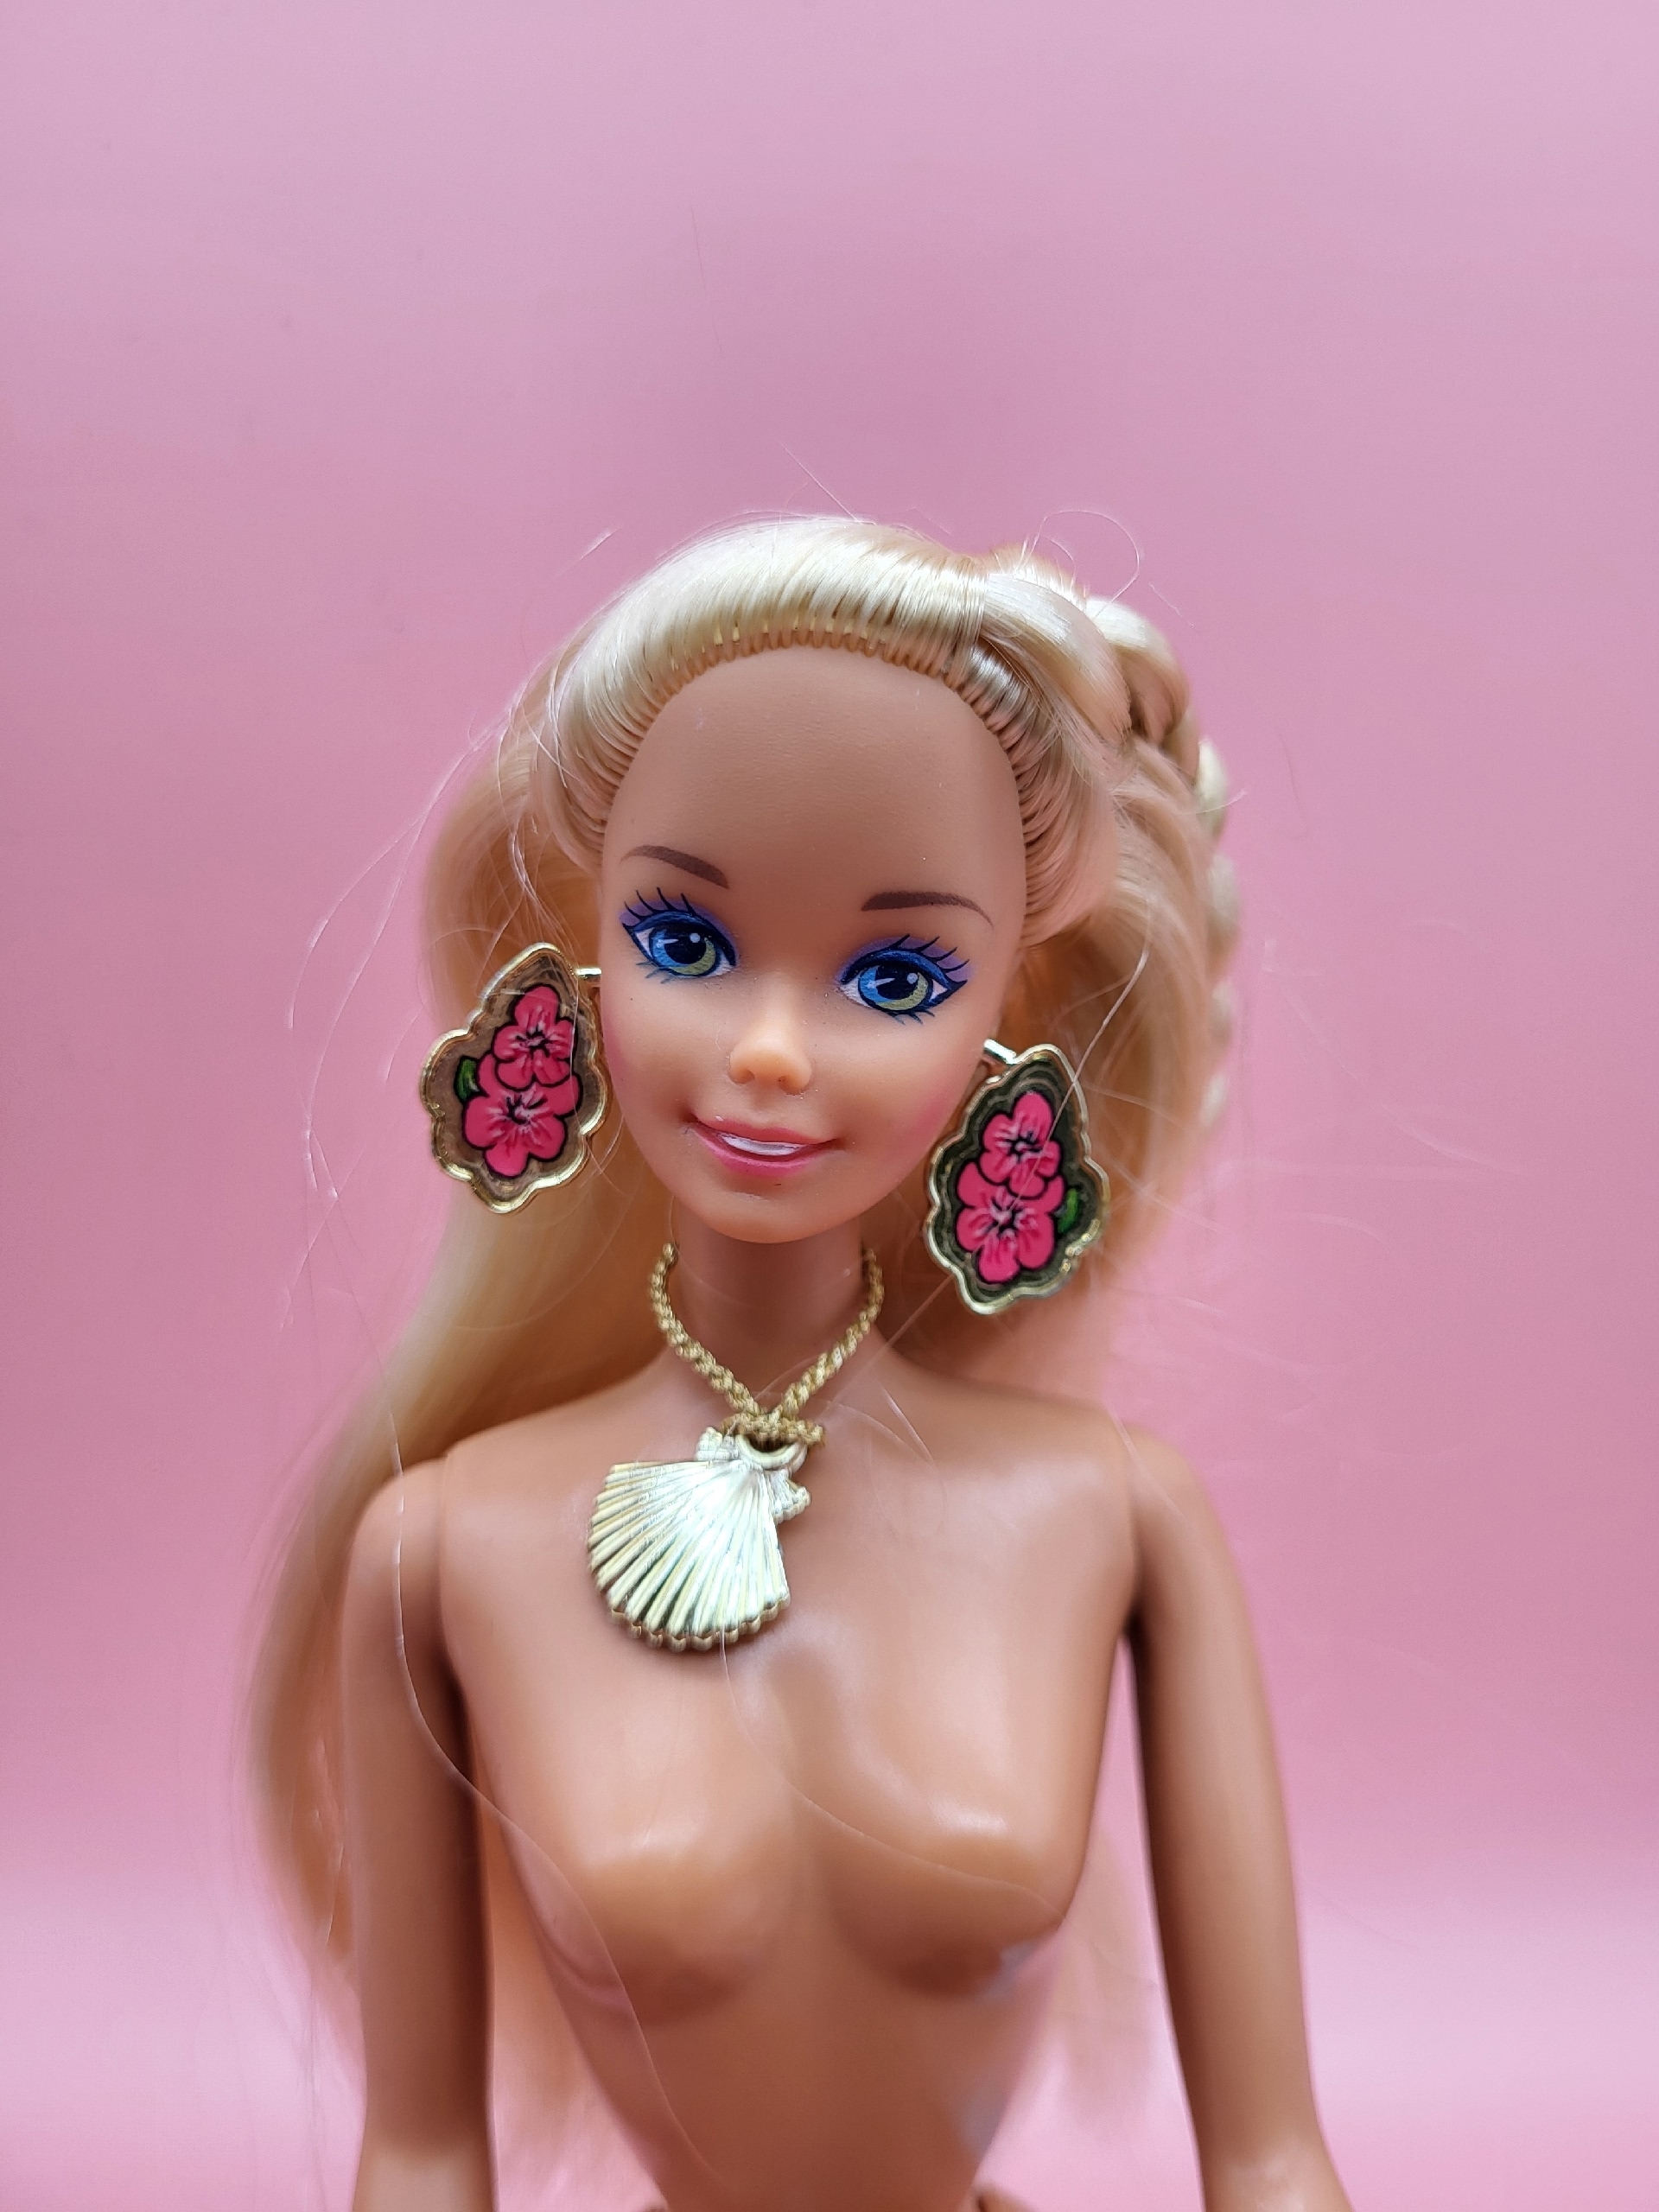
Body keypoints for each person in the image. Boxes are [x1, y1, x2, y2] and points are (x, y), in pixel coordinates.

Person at [254, 518, 1351, 2212]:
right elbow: (417, 2155)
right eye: (686, 943)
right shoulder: (445, 1546)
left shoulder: (1116, 1518)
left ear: (1003, 1029)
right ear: (581, 961)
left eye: (894, 977)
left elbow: (1273, 2161)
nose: (770, 1049)